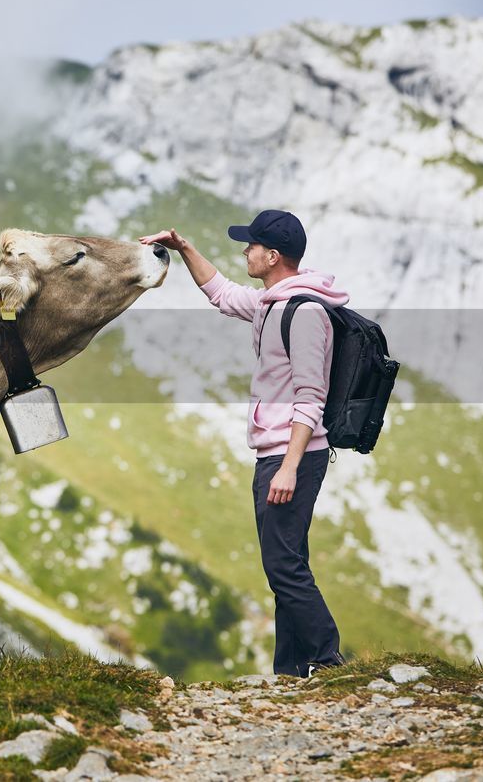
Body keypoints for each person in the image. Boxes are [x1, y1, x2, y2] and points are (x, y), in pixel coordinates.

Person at [141, 209, 349, 677]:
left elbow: (311, 396)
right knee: (287, 563)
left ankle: (330, 659)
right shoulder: (272, 303)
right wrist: (182, 246)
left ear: (272, 256)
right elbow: (221, 293)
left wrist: (290, 466)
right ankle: (292, 671)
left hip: (292, 454)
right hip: (277, 451)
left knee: (282, 567)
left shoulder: (306, 313)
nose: (245, 252)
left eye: (251, 246)